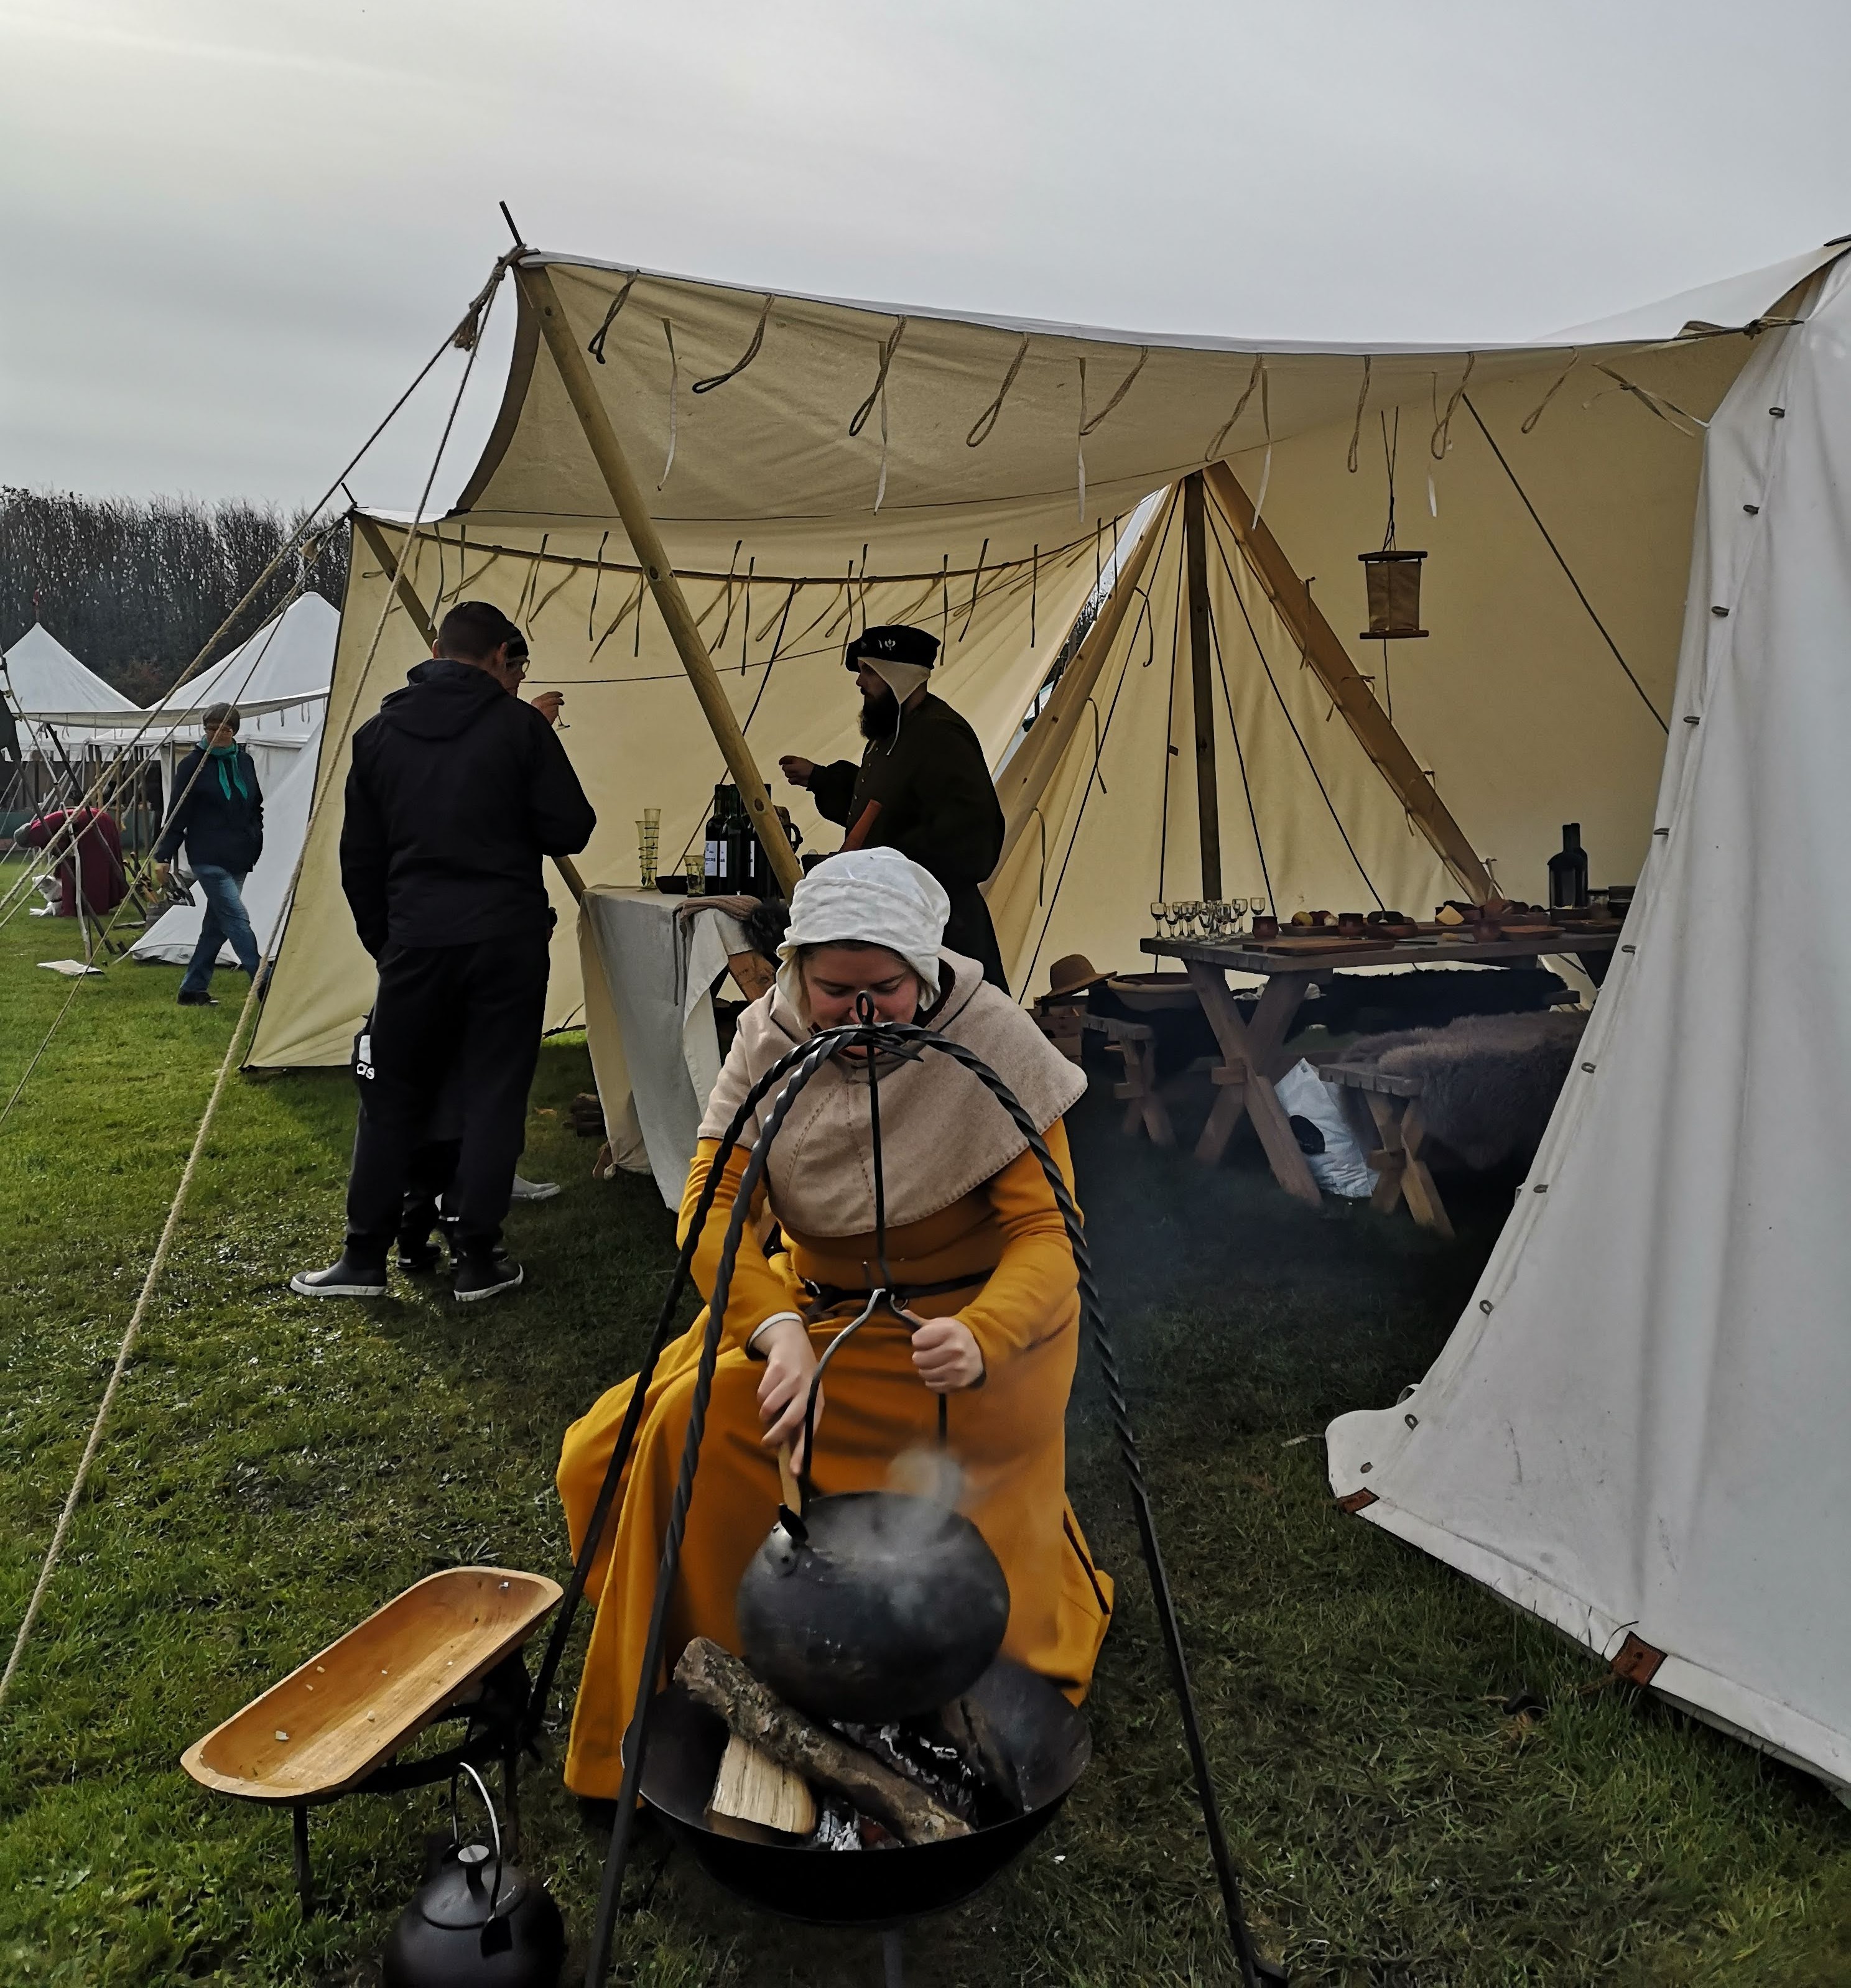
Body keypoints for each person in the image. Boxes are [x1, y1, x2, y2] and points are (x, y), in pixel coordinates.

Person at [554, 846, 1112, 1799]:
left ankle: (889, 1669)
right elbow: (712, 1202)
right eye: (833, 989)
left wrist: (984, 1331)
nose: (858, 1016)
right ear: (798, 969)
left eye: (885, 990)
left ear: (925, 970)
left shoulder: (993, 1038)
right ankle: (727, 1681)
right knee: (634, 1438)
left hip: (965, 1342)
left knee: (701, 1423)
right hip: (808, 1320)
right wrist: (773, 1331)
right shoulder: (769, 1036)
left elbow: (1048, 1237)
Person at [291, 601, 594, 1304]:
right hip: (505, 938)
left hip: (417, 939)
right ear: (497, 656)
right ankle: (478, 1257)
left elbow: (359, 860)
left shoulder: (377, 735)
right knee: (492, 1091)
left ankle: (364, 1254)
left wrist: (389, 943)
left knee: (391, 1095)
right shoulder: (519, 727)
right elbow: (570, 827)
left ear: (435, 647)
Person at [779, 624, 1011, 989]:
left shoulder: (941, 735)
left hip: (939, 928)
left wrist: (882, 864)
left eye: (869, 672)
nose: (860, 683)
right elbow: (881, 804)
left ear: (897, 675)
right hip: (894, 917)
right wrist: (821, 779)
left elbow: (972, 837)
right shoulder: (893, 732)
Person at [152, 703, 262, 1006]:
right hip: (208, 855)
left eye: (225, 729)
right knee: (236, 917)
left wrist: (256, 837)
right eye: (212, 729)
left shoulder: (245, 762)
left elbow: (255, 807)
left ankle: (192, 989)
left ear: (235, 731)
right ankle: (264, 981)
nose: (218, 735)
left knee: (217, 926)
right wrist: (163, 856)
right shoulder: (192, 765)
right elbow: (177, 813)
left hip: (240, 855)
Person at [21, 802, 128, 926]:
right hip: (98, 818)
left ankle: (94, 904)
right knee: (102, 862)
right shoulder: (41, 823)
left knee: (94, 867)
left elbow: (58, 847)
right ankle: (94, 902)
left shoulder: (36, 833)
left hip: (89, 823)